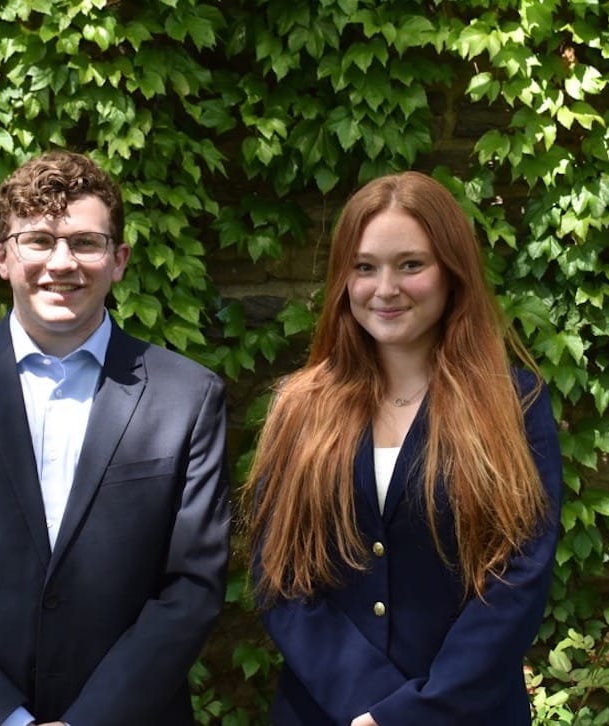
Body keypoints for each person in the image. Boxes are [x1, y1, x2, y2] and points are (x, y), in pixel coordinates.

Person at [0, 150, 231, 725]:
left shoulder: (187, 397)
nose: (62, 263)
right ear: (1, 257)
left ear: (119, 260)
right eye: (38, 241)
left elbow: (192, 586)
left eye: (86, 242)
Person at [244, 171, 563, 725]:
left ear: (452, 272)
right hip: (328, 713)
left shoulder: (515, 403)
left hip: (467, 714)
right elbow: (279, 575)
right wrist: (369, 708)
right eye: (364, 267)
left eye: (410, 265)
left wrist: (416, 715)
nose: (384, 288)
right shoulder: (301, 407)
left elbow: (519, 577)